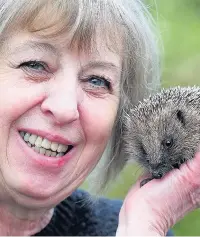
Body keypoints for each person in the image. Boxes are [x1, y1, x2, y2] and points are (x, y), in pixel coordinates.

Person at [0, 0, 196, 236]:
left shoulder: (135, 225)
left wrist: (145, 224)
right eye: (35, 65)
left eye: (97, 81)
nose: (65, 108)